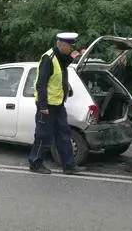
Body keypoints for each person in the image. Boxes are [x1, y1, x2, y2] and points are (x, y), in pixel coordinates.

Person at [28, 32, 86, 175]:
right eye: (70, 46)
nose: (71, 49)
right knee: (43, 135)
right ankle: (35, 164)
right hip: (46, 105)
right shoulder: (48, 59)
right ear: (63, 45)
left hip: (58, 104)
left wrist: (79, 53)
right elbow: (41, 84)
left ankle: (69, 166)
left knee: (64, 134)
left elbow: (66, 61)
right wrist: (42, 106)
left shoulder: (60, 56)